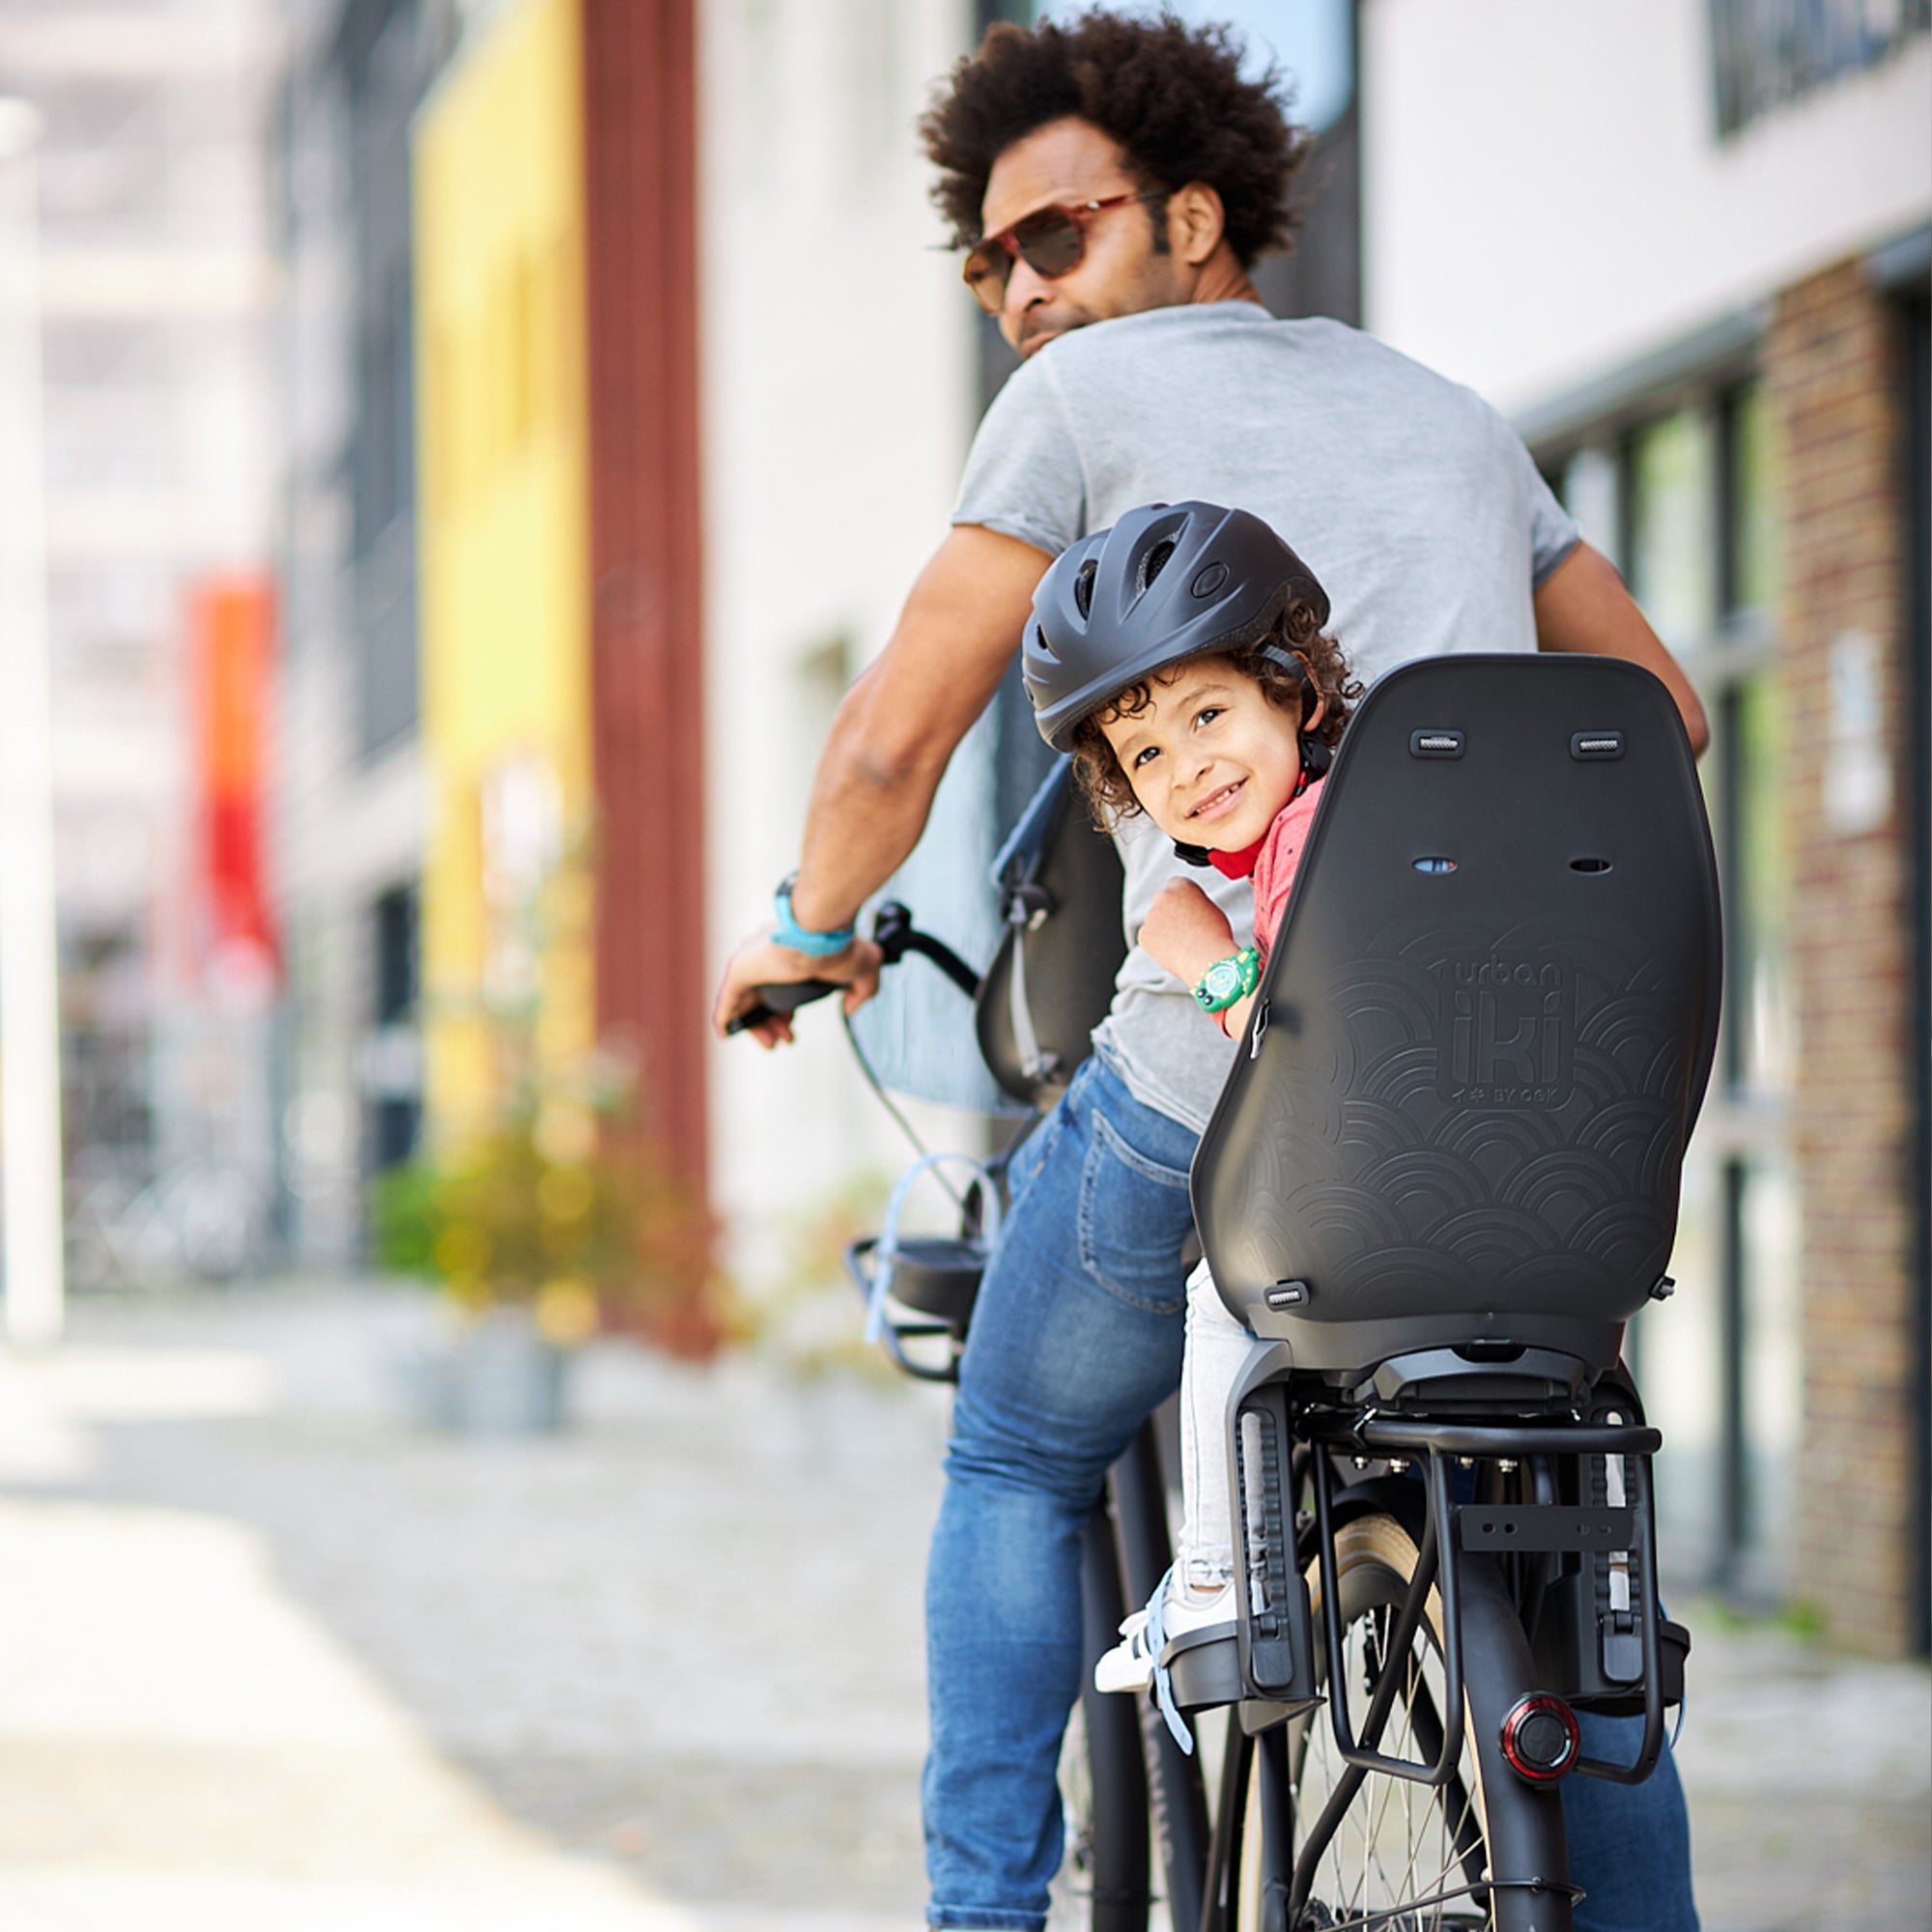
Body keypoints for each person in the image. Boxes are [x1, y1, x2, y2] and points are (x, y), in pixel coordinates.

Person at [711, 14, 1706, 1930]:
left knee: (1015, 1456)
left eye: (1055, 236)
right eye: (988, 266)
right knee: (1564, 1564)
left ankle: (981, 1913)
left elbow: (890, 744)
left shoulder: (1081, 403)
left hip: (1231, 1079)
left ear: (1190, 217)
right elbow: (1661, 712)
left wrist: (807, 935)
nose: (1022, 292)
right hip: (1517, 1112)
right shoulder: (1452, 414)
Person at [1022, 500, 1363, 1711]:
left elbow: (1307, 1026)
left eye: (1206, 715)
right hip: (1526, 1196)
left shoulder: (1324, 833)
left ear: (1294, 692)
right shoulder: (1339, 819)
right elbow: (1195, 918)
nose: (1185, 769)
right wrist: (1218, 957)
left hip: (1375, 1192)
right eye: (1145, 756)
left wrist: (1220, 972)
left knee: (1222, 1295)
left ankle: (1215, 1577)